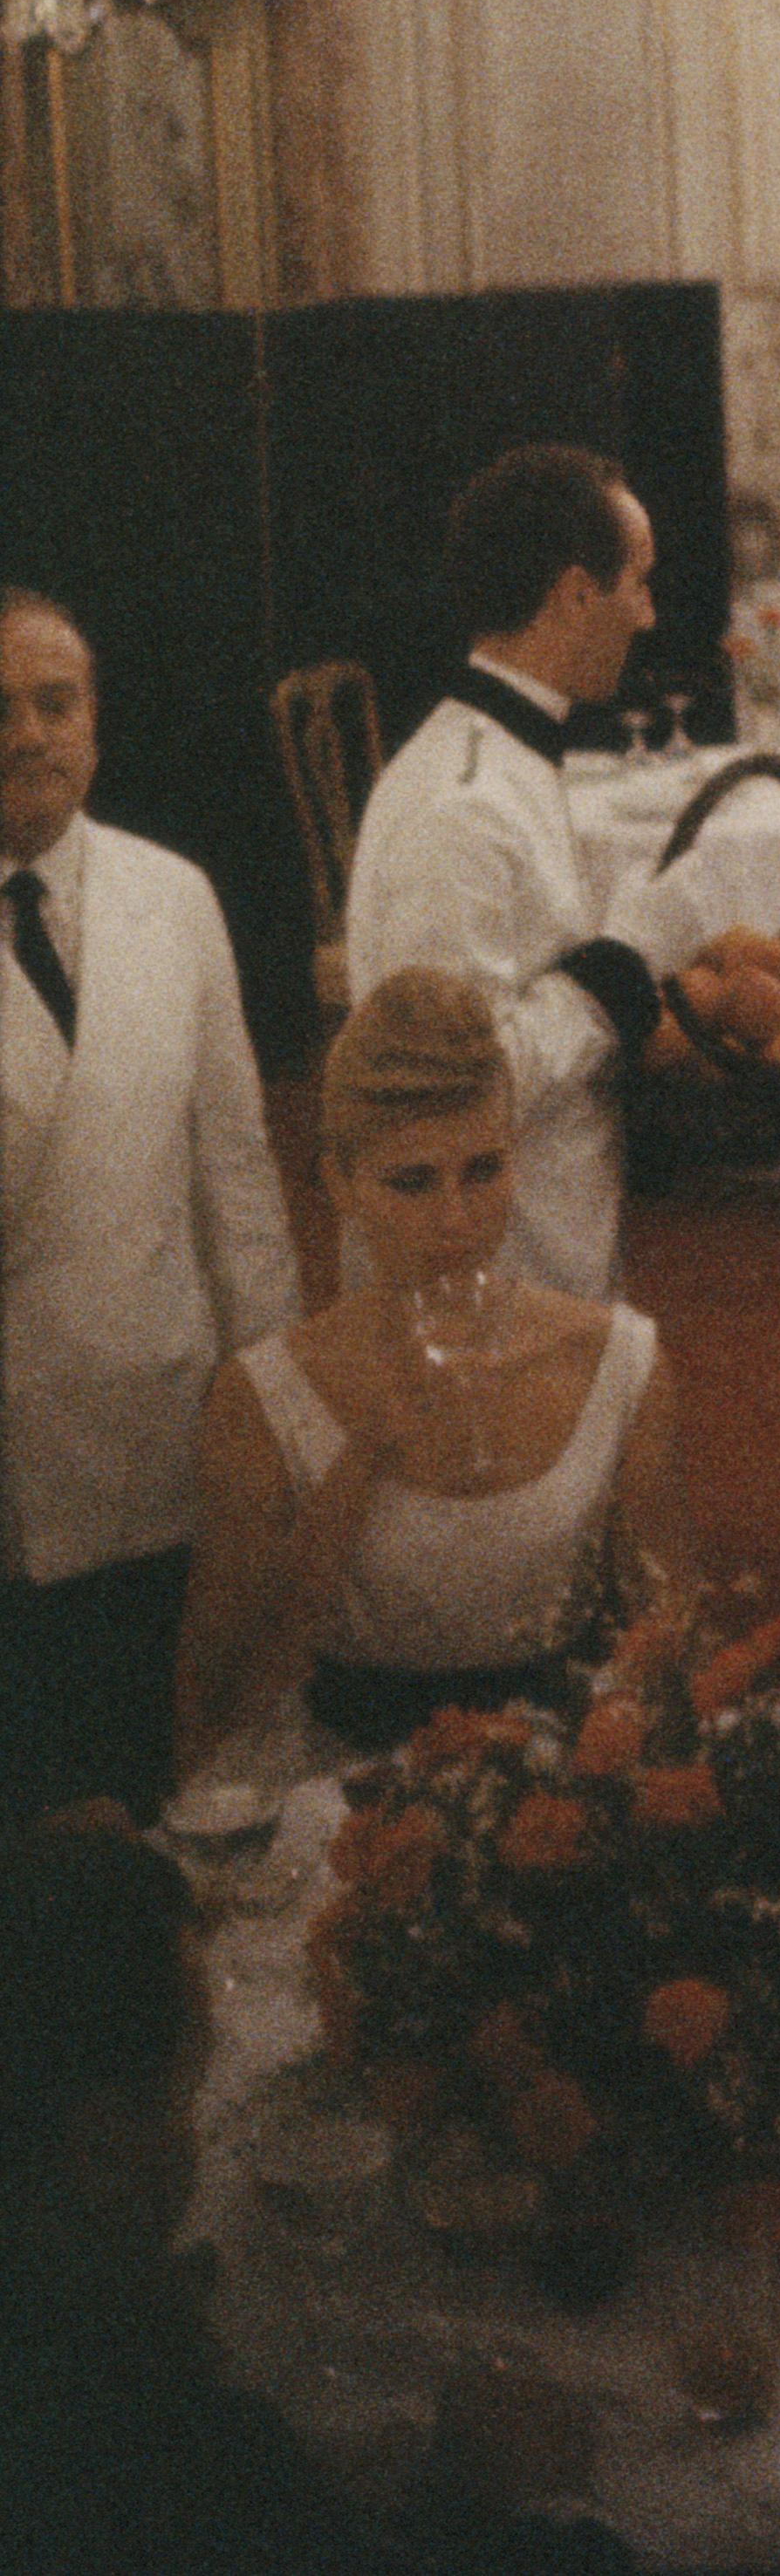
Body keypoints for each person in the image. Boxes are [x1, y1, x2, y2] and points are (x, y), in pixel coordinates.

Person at [0, 1813, 633, 2576]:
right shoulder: (144, 2431)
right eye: (186, 2087)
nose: (195, 2134)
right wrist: (550, 2508)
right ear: (100, 2135)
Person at [175, 971, 689, 1770]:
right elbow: (219, 1703)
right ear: (339, 1183)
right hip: (349, 1801)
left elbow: (669, 1647)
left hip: (565, 1784)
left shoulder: (619, 1365)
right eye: (412, 1182)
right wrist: (361, 1456)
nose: (456, 1220)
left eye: (483, 1170)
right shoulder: (262, 1395)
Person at [2, 591, 301, 1830]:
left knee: (134, 1776)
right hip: (11, 1448)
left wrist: (279, 1404)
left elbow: (235, 1171)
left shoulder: (173, 896)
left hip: (142, 1417)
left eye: (54, 701)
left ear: (96, 723)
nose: (26, 732)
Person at [345, 446, 698, 1299]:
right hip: (488, 1275)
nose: (647, 614)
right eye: (638, 582)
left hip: (556, 1231)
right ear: (577, 593)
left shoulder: (503, 758)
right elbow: (449, 1084)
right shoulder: (460, 804)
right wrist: (607, 980)